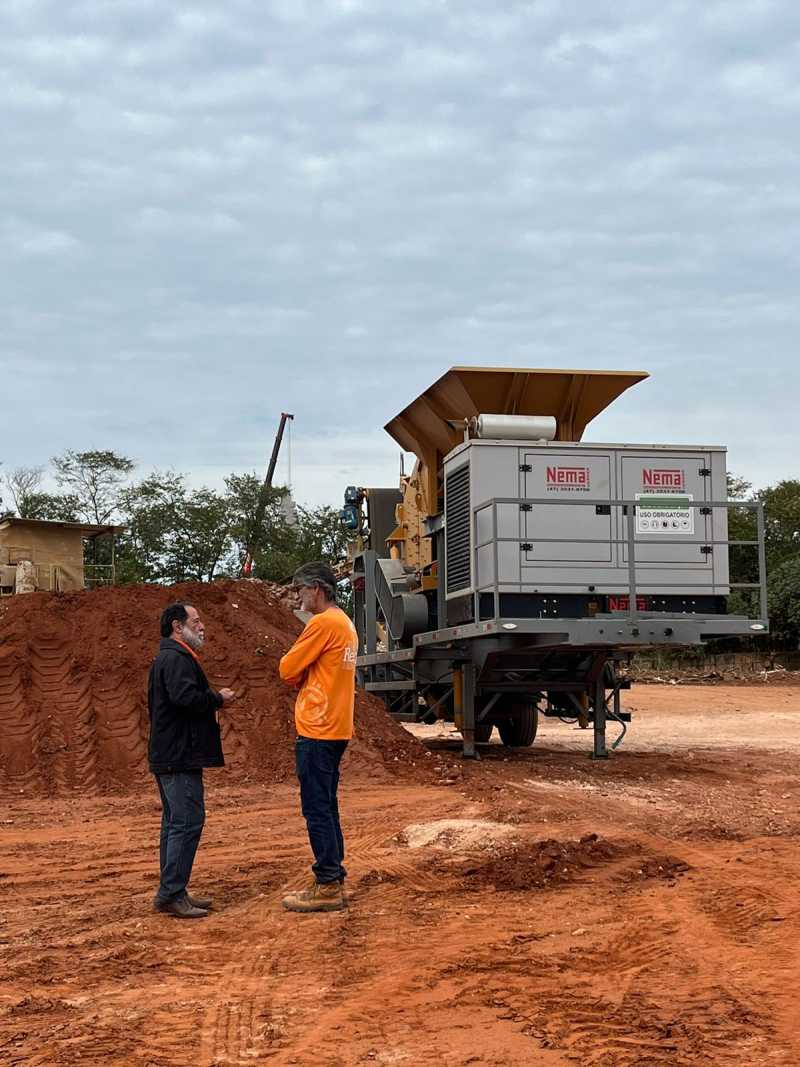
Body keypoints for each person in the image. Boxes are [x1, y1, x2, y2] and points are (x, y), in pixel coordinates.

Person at [279, 562, 358, 913]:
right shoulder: (345, 623)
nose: (298, 597)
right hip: (337, 725)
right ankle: (333, 877)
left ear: (317, 590)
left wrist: (301, 673)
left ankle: (327, 884)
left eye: (300, 590)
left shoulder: (323, 624)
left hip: (317, 726)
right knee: (327, 806)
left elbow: (286, 668)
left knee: (316, 809)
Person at [148, 602, 235, 918]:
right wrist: (217, 699)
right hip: (178, 756)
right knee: (186, 823)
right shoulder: (176, 659)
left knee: (176, 824)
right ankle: (171, 894)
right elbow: (184, 697)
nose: (202, 626)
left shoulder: (173, 657)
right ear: (176, 625)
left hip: (174, 754)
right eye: (196, 621)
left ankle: (174, 890)